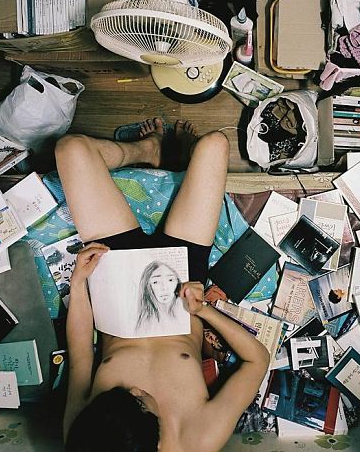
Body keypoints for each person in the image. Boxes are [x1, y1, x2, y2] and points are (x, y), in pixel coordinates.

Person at [56, 118, 270, 452]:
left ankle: (147, 149)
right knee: (214, 143)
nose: (136, 389)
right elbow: (256, 359)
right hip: (181, 282)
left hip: (116, 274)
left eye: (122, 393)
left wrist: (79, 282)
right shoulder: (198, 439)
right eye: (140, 401)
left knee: (70, 148)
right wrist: (204, 312)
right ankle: (173, 162)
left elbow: (81, 353)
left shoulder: (84, 436)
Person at [136, 260, 182, 332]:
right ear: (147, 286)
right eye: (156, 282)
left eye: (170, 280)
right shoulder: (146, 324)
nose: (164, 288)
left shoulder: (182, 315)